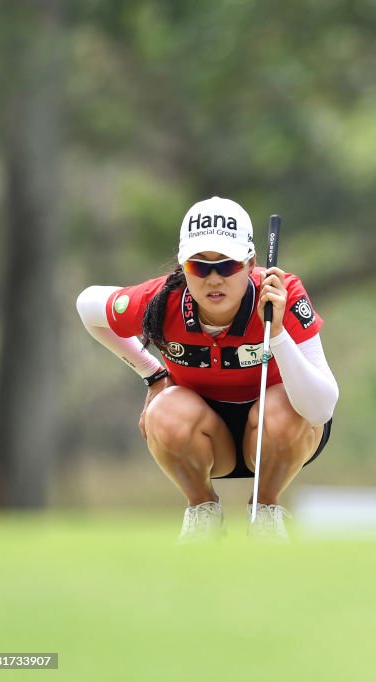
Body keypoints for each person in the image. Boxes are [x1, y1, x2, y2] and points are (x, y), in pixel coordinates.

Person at [77, 197, 338, 543]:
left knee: (282, 409)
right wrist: (153, 374)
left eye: (227, 265)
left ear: (250, 264)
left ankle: (266, 514)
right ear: (184, 268)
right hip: (208, 438)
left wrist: (275, 334)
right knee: (164, 411)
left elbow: (321, 409)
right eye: (200, 267)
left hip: (280, 435)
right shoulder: (161, 300)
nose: (214, 279)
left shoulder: (282, 293)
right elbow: (87, 307)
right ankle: (203, 514)